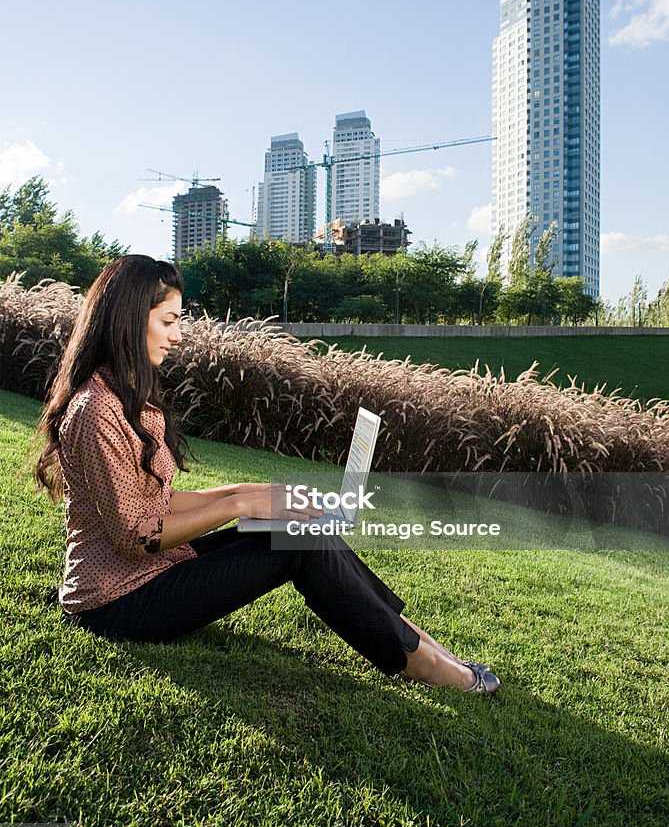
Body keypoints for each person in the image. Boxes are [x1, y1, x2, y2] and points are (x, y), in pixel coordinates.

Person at [35, 255, 500, 694]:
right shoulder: (97, 408)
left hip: (150, 573)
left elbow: (153, 501)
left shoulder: (125, 395)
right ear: (129, 319)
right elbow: (137, 536)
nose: (178, 335)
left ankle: (422, 645)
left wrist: (256, 492)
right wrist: (241, 505)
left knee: (295, 527)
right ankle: (422, 662)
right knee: (298, 544)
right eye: (168, 322)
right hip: (115, 603)